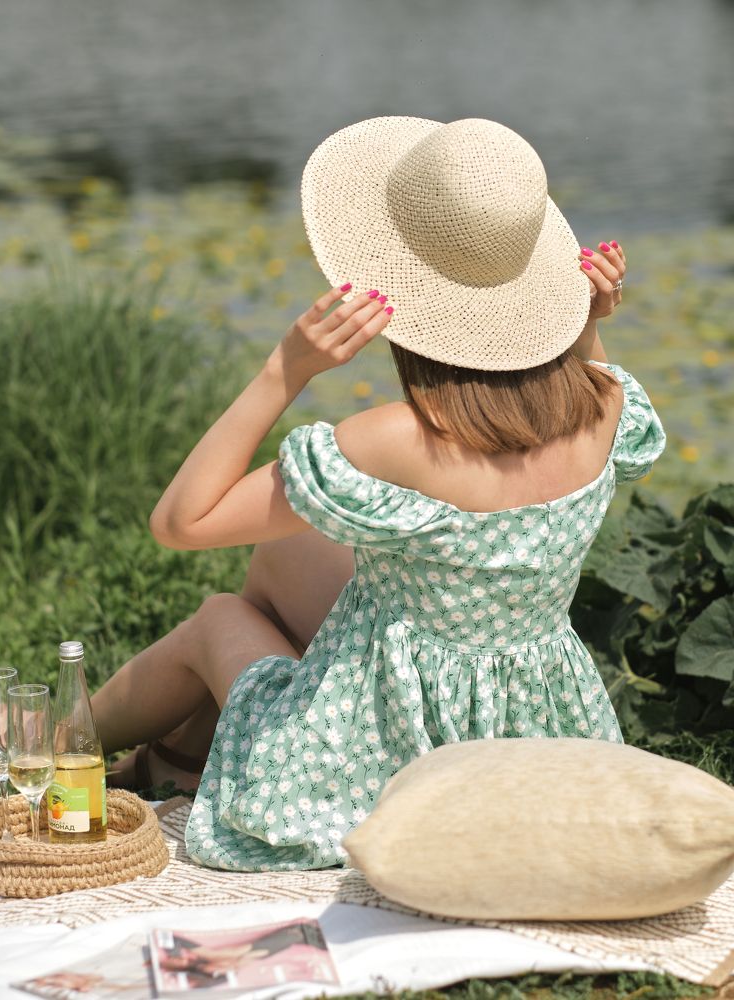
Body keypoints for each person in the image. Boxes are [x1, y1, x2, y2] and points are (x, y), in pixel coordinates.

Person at [91, 116, 666, 871]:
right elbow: (597, 397)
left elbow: (181, 521)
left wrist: (284, 371)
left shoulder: (398, 439)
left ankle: (49, 744)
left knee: (220, 618)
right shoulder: (606, 404)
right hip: (537, 744)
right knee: (286, 554)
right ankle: (173, 760)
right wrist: (584, 330)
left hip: (383, 768)